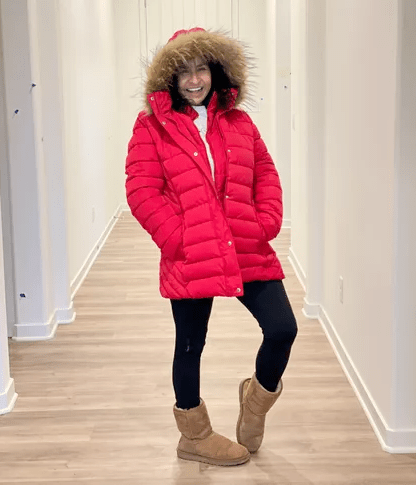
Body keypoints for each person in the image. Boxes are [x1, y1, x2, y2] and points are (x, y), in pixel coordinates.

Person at [125, 28, 297, 467]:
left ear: (216, 72)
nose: (194, 80)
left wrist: (265, 222)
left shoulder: (240, 122)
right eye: (183, 72)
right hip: (191, 251)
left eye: (201, 69)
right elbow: (142, 191)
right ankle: (194, 436)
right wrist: (178, 238)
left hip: (244, 242)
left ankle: (255, 401)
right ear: (170, 79)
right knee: (190, 344)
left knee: (282, 329)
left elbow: (265, 173)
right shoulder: (151, 127)